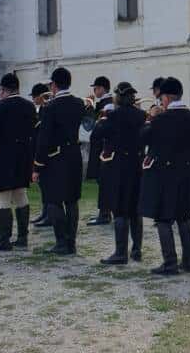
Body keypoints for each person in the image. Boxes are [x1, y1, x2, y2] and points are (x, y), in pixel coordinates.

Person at [139, 77, 190, 275]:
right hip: (185, 173)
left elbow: (143, 138)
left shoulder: (161, 119)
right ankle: (188, 262)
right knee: (184, 218)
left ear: (166, 97)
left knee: (164, 219)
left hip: (165, 175)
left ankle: (170, 263)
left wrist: (150, 118)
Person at [0, 72, 37, 252]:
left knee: (2, 197)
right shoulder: (29, 106)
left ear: (4, 89)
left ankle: (4, 240)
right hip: (23, 157)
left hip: (3, 158)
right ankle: (22, 238)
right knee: (21, 194)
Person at [33, 67, 86, 255]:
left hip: (55, 158)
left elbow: (43, 139)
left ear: (54, 85)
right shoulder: (79, 103)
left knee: (54, 200)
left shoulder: (50, 108)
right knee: (72, 200)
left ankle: (61, 242)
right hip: (74, 154)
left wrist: (37, 165)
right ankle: (71, 242)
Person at [96, 82, 146, 265]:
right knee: (135, 210)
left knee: (120, 210)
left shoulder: (112, 116)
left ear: (118, 96)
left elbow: (97, 135)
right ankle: (137, 250)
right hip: (137, 165)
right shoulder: (141, 115)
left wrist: (102, 118)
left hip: (118, 167)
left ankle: (120, 252)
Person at [86, 76, 114, 226]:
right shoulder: (105, 102)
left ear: (103, 88)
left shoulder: (107, 103)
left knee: (104, 181)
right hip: (102, 147)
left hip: (103, 147)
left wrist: (89, 107)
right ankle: (106, 212)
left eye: (96, 88)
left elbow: (92, 125)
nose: (94, 91)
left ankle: (104, 213)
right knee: (103, 181)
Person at [30, 83, 52, 228]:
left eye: (34, 97)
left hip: (46, 153)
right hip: (39, 150)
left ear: (39, 96)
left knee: (47, 186)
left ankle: (49, 215)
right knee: (43, 186)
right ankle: (45, 212)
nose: (33, 99)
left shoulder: (47, 109)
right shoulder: (42, 109)